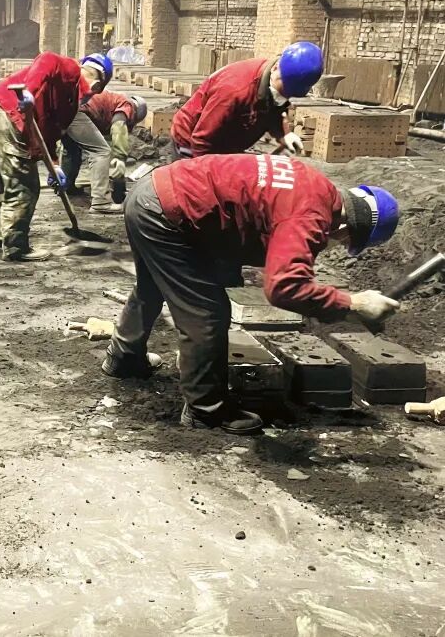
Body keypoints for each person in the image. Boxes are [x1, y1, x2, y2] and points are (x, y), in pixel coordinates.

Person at [101, 153, 400, 435]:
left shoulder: (314, 185)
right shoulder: (311, 215)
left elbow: (249, 213)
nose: (338, 245)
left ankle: (124, 357)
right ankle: (206, 410)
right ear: (348, 227)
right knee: (207, 312)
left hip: (152, 193)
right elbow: (284, 287)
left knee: (152, 286)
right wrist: (352, 303)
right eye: (346, 241)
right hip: (167, 215)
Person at [0, 52, 111, 262]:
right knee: (25, 185)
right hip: (9, 114)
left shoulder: (70, 104)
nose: (89, 97)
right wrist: (29, 92)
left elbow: (49, 133)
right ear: (97, 85)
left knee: (3, 179)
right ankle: (16, 247)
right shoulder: (70, 70)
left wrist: (54, 165)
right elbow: (46, 59)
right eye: (93, 92)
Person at [170, 42, 324, 160]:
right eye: (282, 91)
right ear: (275, 68)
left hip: (226, 144)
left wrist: (283, 134)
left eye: (287, 95)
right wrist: (208, 177)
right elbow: (201, 141)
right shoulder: (233, 90)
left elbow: (274, 110)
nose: (282, 98)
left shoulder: (274, 83)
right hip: (191, 144)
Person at [61, 90, 148, 214]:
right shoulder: (127, 105)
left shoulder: (113, 101)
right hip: (77, 112)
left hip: (66, 110)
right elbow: (118, 126)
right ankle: (100, 202)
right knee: (101, 152)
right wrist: (120, 157)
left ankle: (66, 187)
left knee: (72, 151)